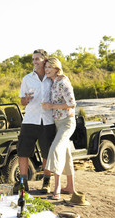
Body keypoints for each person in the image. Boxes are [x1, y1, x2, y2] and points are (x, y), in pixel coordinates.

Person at [17, 49, 56, 193]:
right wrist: (25, 100)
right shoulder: (27, 79)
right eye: (33, 59)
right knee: (23, 152)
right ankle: (23, 183)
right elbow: (21, 100)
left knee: (47, 154)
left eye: (37, 59)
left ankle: (46, 182)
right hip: (30, 120)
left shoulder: (52, 78)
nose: (34, 62)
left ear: (45, 60)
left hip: (47, 121)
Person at [42, 57, 76, 199]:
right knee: (66, 152)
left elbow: (72, 104)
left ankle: (57, 188)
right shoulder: (52, 81)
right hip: (58, 123)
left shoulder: (63, 82)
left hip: (67, 123)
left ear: (56, 68)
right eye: (46, 67)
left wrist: (51, 106)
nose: (47, 69)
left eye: (50, 67)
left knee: (55, 150)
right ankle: (70, 187)